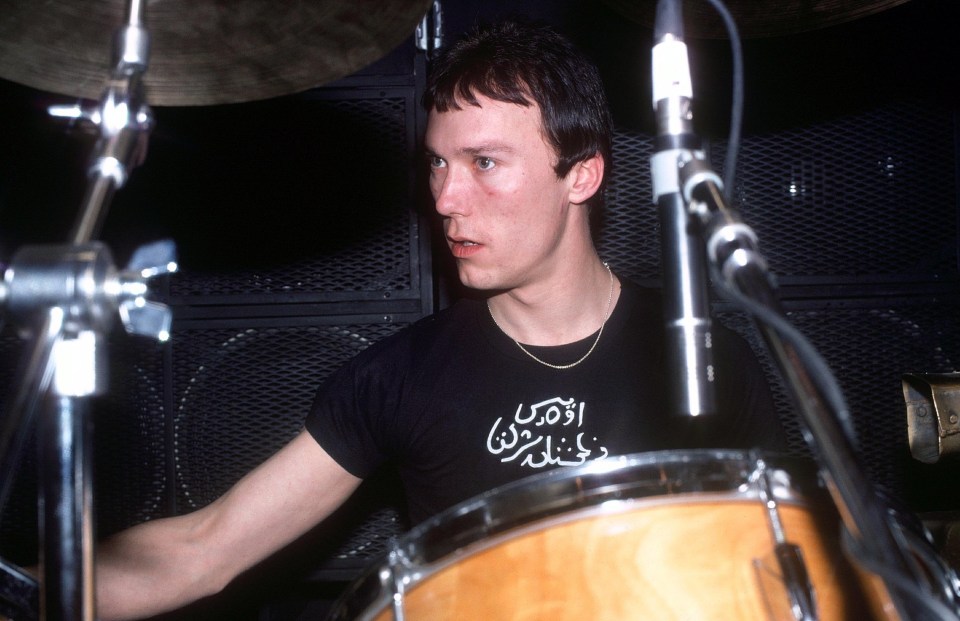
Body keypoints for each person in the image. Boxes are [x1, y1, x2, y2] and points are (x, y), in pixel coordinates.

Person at [92, 20, 785, 620]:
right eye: (437, 165)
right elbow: (204, 547)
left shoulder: (703, 357)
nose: (447, 198)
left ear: (581, 175)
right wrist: (24, 590)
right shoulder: (400, 378)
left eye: (484, 162)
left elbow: (786, 564)